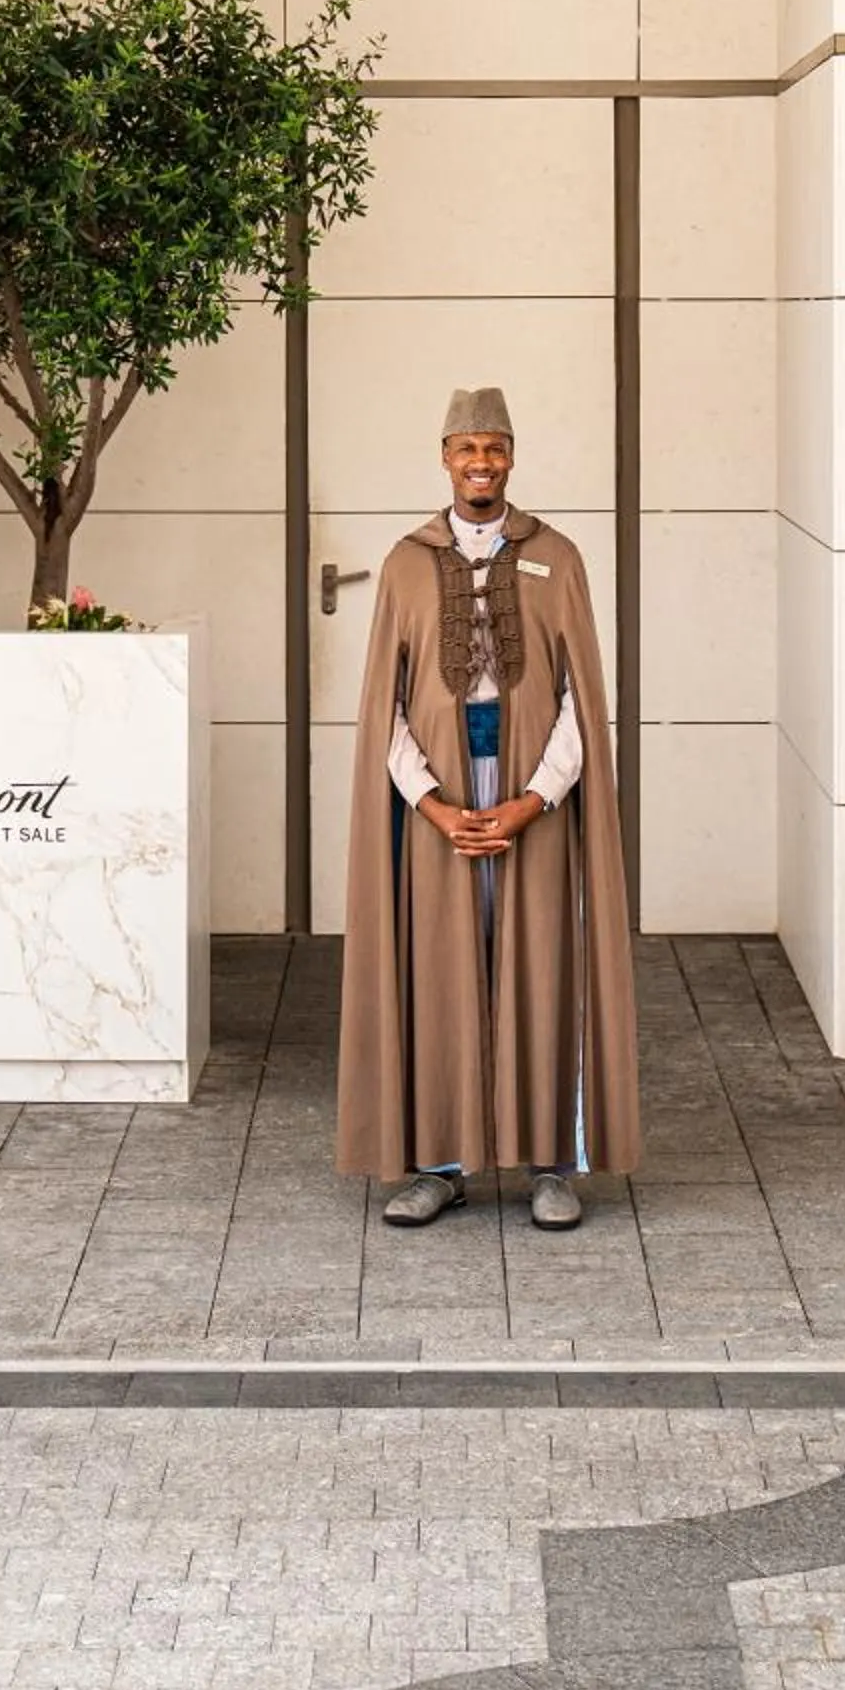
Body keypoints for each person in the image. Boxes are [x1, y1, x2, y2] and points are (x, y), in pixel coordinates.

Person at [335, 386, 639, 1229]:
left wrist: (535, 799)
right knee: (438, 972)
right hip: (437, 796)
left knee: (541, 964)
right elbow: (384, 708)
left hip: (532, 793)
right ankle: (440, 1162)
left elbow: (582, 698)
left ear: (511, 456)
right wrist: (430, 804)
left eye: (494, 448)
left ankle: (547, 1162)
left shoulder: (560, 557)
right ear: (444, 456)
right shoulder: (403, 562)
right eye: (466, 448)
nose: (481, 463)